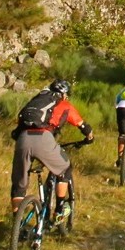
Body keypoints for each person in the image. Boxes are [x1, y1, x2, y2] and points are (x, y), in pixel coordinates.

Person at [10, 79, 93, 221]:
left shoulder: (36, 101)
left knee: (19, 185)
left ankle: (17, 225)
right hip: (43, 138)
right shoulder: (64, 104)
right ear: (65, 94)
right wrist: (89, 137)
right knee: (65, 169)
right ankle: (59, 210)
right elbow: (82, 125)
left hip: (23, 139)